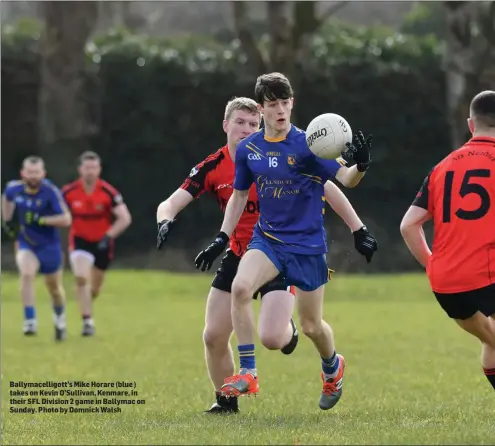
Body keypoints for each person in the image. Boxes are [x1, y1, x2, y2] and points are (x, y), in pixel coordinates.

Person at [157, 96, 377, 414]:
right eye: (240, 123)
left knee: (272, 338)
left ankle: (289, 332)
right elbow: (171, 202)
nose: (246, 129)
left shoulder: (275, 153)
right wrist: (165, 220)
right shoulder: (214, 166)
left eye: (252, 123)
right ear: (225, 125)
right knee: (213, 335)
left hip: (279, 251)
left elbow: (330, 187)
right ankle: (226, 401)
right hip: (239, 254)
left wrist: (358, 229)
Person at [400, 90, 495, 391]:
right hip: (487, 274)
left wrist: (434, 265)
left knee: (491, 338)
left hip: (448, 284)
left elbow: (408, 225)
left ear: (470, 124)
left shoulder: (441, 168)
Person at [1, 156, 72, 341]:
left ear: (43, 174)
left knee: (54, 288)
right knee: (26, 273)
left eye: (37, 172)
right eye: (29, 172)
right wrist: (8, 221)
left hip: (50, 246)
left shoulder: (50, 192)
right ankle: (30, 319)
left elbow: (66, 219)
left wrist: (42, 221)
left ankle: (59, 319)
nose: (33, 176)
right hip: (27, 242)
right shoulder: (14, 188)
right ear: (23, 173)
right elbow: (6, 198)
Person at [62, 151, 132, 337]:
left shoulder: (108, 191)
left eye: (94, 168)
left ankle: (87, 301)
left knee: (94, 288)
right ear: (80, 170)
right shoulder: (69, 192)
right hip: (79, 241)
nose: (90, 172)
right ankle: (87, 322)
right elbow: (57, 212)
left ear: (99, 170)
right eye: (87, 168)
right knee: (81, 277)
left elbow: (124, 218)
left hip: (102, 243)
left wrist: (108, 236)